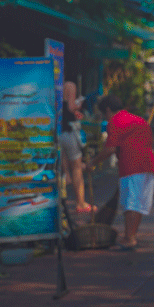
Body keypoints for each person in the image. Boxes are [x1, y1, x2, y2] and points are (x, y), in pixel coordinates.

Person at [86, 95, 154, 250]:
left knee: (130, 204)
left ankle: (130, 238)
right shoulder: (138, 120)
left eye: (104, 113)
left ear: (108, 110)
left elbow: (110, 148)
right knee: (138, 204)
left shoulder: (116, 121)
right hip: (148, 166)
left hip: (131, 166)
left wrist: (92, 162)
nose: (105, 117)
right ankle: (131, 236)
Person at [59, 82, 94, 214]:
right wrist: (78, 105)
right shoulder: (69, 86)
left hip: (55, 131)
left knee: (62, 169)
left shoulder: (50, 82)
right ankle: (81, 203)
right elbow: (70, 107)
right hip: (69, 131)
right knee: (77, 168)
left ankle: (60, 203)